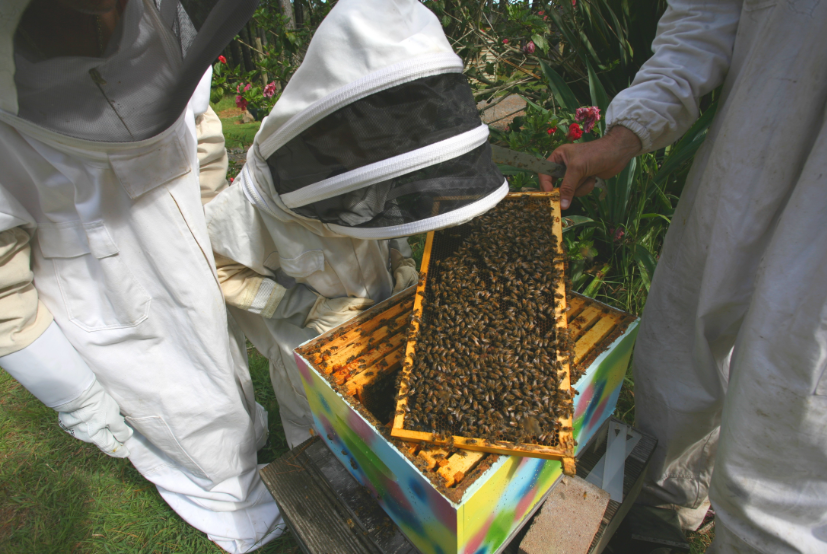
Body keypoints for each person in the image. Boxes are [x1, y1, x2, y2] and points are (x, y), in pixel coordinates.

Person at [540, 0, 827, 552]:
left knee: (793, 426)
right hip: (748, 154)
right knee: (678, 340)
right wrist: (621, 140)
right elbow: (700, 23)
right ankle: (666, 504)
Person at [0, 1, 284, 551]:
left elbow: (199, 128)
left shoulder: (161, 28)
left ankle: (246, 436)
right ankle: (233, 508)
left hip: (185, 244)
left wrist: (208, 221)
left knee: (220, 360)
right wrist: (74, 394)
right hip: (105, 283)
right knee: (175, 401)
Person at [205, 0, 508, 448]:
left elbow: (384, 218)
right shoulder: (251, 203)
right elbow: (216, 265)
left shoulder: (371, 158)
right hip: (310, 343)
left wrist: (400, 260)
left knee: (387, 421)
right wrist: (301, 309)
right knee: (316, 436)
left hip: (383, 316)